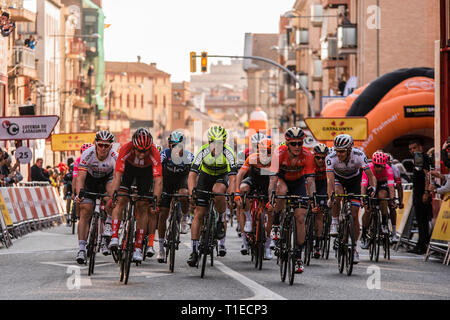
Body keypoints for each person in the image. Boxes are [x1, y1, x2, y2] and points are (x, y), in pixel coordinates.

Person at [266, 127, 318, 274]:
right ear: (287, 143)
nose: (297, 147)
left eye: (299, 143)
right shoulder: (279, 153)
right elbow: (272, 179)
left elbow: (311, 181)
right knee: (281, 191)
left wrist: (312, 198)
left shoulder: (307, 155)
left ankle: (297, 256)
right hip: (282, 179)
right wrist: (272, 198)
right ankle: (276, 222)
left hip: (298, 182)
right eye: (293, 143)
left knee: (301, 217)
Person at [109, 128, 162, 263]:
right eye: (139, 150)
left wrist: (155, 201)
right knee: (121, 199)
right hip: (129, 170)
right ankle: (114, 236)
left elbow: (158, 181)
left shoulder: (154, 153)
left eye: (145, 151)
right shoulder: (126, 149)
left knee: (143, 206)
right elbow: (117, 175)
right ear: (133, 146)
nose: (142, 154)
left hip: (145, 174)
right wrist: (113, 195)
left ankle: (138, 247)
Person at [187, 126, 237, 266]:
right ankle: (194, 250)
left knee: (218, 190)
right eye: (214, 142)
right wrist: (192, 192)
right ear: (209, 142)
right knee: (199, 213)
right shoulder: (203, 152)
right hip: (205, 177)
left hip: (221, 177)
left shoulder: (228, 153)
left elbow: (233, 178)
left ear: (225, 142)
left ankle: (221, 217)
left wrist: (232, 194)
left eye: (220, 143)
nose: (217, 146)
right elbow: (192, 175)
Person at [326, 134, 377, 264]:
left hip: (354, 180)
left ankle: (354, 248)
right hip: (338, 179)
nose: (339, 154)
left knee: (354, 213)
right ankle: (335, 222)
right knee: (337, 194)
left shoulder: (359, 155)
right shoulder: (331, 157)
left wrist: (373, 188)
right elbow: (330, 180)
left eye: (342, 151)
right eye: (337, 151)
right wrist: (330, 196)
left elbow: (371, 176)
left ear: (349, 149)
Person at [75, 131, 117, 264]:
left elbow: (117, 179)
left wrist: (114, 197)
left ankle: (109, 222)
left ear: (111, 146)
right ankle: (81, 248)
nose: (103, 148)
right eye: (100, 145)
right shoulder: (87, 154)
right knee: (86, 210)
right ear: (95, 144)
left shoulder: (115, 157)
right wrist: (79, 194)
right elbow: (80, 177)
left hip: (107, 179)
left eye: (106, 145)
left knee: (112, 197)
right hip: (90, 180)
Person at [157, 131, 194, 262]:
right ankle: (161, 248)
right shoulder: (163, 155)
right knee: (162, 214)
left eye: (179, 146)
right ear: (169, 145)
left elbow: (193, 176)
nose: (176, 148)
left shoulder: (189, 156)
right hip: (166, 182)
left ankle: (184, 218)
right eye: (173, 146)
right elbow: (157, 176)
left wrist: (192, 193)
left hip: (182, 181)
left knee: (184, 195)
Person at [235, 138, 274, 259]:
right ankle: (248, 219)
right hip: (253, 181)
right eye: (262, 151)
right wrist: (237, 192)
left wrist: (271, 198)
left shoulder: (275, 161)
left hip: (268, 183)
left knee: (271, 211)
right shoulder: (252, 158)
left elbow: (274, 181)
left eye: (268, 151)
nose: (265, 154)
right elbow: (240, 174)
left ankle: (267, 246)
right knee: (243, 188)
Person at [360, 152, 398, 250]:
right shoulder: (368, 168)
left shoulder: (388, 170)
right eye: (376, 166)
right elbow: (363, 185)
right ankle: (364, 234)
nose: (379, 169)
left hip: (382, 185)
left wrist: (393, 199)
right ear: (373, 164)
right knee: (368, 210)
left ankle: (384, 223)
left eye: (381, 166)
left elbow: (391, 186)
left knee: (383, 196)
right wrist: (363, 198)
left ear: (385, 165)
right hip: (370, 183)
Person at [407, 139, 432, 254]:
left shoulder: (421, 157)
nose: (412, 151)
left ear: (420, 147)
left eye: (414, 148)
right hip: (419, 192)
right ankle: (422, 243)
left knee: (422, 220)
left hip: (421, 193)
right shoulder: (420, 158)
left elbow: (427, 175)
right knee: (422, 220)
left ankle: (422, 245)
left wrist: (426, 192)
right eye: (410, 149)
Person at [312, 143, 329, 258]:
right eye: (318, 157)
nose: (320, 160)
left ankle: (317, 245)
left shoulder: (328, 164)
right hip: (310, 183)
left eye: (323, 158)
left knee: (319, 213)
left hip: (322, 185)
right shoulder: (309, 162)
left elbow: (330, 181)